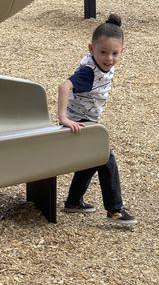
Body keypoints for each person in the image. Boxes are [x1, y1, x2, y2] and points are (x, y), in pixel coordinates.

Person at [58, 13, 137, 226]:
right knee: (105, 157)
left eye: (115, 53)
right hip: (78, 124)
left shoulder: (106, 64)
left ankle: (73, 202)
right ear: (90, 49)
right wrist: (63, 118)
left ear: (122, 52)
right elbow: (64, 86)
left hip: (87, 122)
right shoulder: (89, 72)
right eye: (103, 52)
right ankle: (115, 211)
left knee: (93, 158)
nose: (109, 58)